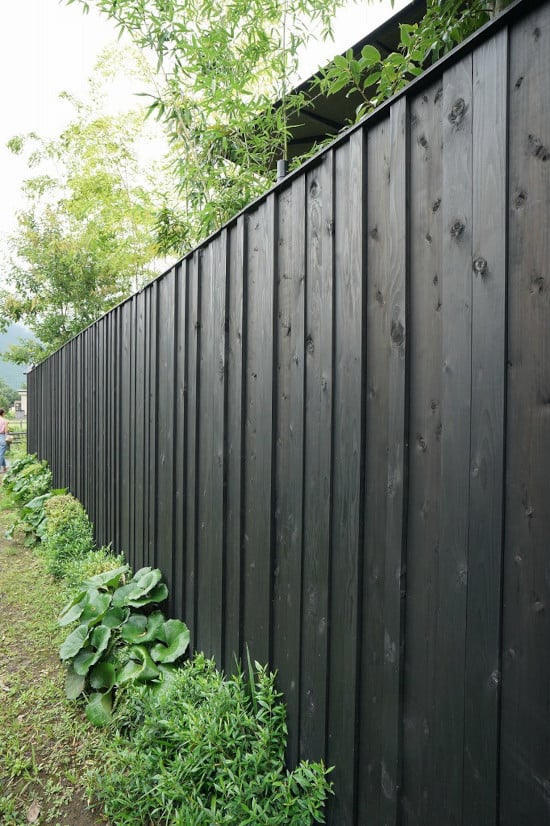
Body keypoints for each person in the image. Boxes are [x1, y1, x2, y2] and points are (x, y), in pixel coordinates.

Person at [0, 408, 9, 474]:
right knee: (1, 454)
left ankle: (4, 467)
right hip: (2, 436)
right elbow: (6, 431)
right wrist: (7, 437)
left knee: (1, 453)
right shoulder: (5, 421)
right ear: (3, 413)